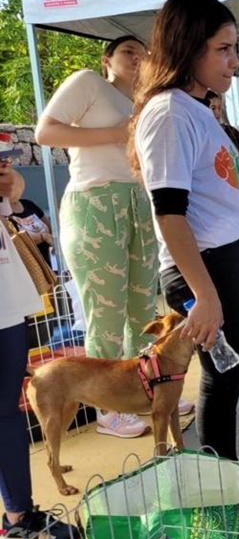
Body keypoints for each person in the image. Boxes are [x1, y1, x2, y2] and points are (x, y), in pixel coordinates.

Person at [131, 0, 239, 473]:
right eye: (223, 49)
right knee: (224, 380)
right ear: (188, 47)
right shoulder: (167, 114)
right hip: (205, 269)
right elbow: (169, 213)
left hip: (228, 263)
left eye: (234, 48)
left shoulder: (194, 108)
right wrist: (203, 293)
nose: (235, 62)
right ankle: (224, 494)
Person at [36, 34, 180, 440]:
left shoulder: (145, 100)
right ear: (107, 60)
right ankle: (107, 408)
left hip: (138, 202)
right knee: (106, 310)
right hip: (95, 202)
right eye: (128, 52)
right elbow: (45, 132)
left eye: (143, 53)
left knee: (141, 309)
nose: (138, 59)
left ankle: (146, 394)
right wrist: (117, 133)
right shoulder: (88, 83)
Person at [0, 165, 79, 539]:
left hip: (7, 301)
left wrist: (10, 192)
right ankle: (18, 515)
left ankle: (19, 515)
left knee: (7, 412)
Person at [207, 91, 239, 173]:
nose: (217, 112)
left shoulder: (232, 132)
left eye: (219, 108)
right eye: (213, 108)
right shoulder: (198, 134)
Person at [8, 195, 53, 265]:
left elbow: (50, 228)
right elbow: (14, 240)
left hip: (47, 260)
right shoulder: (3, 213)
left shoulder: (28, 204)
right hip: (27, 264)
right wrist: (43, 237)